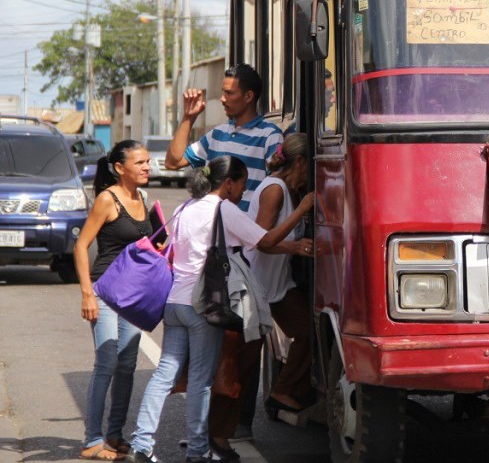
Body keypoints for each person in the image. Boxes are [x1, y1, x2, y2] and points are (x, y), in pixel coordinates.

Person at [129, 156, 314, 463]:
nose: (242, 191)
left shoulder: (184, 207)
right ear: (228, 183)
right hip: (204, 304)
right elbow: (264, 240)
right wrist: (301, 210)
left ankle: (141, 443)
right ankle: (200, 450)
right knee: (202, 381)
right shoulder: (224, 208)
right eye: (241, 184)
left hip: (174, 302)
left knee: (164, 375)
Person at [208, 134, 317, 460]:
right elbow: (263, 241)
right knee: (237, 367)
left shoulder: (285, 189)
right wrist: (300, 215)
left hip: (278, 286)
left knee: (307, 332)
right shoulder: (274, 190)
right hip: (256, 290)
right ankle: (216, 436)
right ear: (300, 163)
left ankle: (283, 391)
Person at [73, 140, 152, 461]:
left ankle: (115, 435)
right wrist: (86, 293)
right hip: (104, 290)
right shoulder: (107, 200)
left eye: (148, 162)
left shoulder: (143, 198)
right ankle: (93, 438)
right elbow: (81, 246)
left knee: (128, 365)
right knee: (106, 362)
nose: (147, 167)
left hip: (133, 295)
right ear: (120, 168)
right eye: (140, 163)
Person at [165, 63, 283, 212]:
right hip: (213, 230)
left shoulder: (270, 136)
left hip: (245, 232)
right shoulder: (217, 134)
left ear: (248, 96)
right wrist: (188, 118)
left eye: (229, 93)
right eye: (223, 92)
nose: (222, 99)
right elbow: (173, 162)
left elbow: (275, 191)